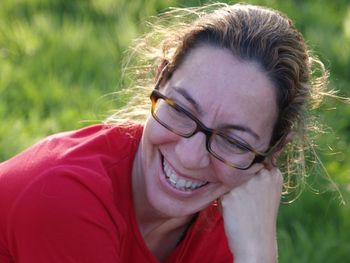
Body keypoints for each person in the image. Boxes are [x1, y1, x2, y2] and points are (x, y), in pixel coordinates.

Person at [0, 3, 330, 263]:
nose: (189, 156)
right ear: (160, 79)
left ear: (272, 152)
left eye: (233, 141)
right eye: (182, 110)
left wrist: (256, 251)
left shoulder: (234, 226)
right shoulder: (62, 197)